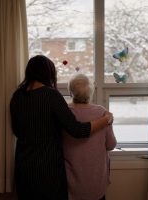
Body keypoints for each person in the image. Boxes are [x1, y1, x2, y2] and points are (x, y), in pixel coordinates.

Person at [10, 55, 113, 200]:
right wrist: (106, 119)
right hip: (48, 168)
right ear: (48, 73)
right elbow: (77, 130)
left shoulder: (17, 96)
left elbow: (16, 130)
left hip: (23, 165)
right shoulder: (51, 95)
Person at [63, 73, 117, 200]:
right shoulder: (102, 113)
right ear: (90, 92)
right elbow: (111, 145)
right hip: (96, 182)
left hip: (71, 183)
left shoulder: (64, 112)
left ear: (71, 92)